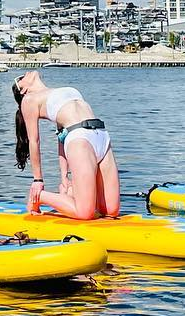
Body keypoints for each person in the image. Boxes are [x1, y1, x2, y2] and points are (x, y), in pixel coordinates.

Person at [11, 71, 120, 220]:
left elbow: (61, 136)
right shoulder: (29, 100)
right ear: (23, 89)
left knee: (111, 210)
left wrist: (65, 178)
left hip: (101, 136)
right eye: (21, 78)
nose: (25, 74)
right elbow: (34, 141)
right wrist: (38, 181)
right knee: (85, 213)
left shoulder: (56, 91)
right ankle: (39, 197)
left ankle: (71, 196)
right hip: (80, 140)